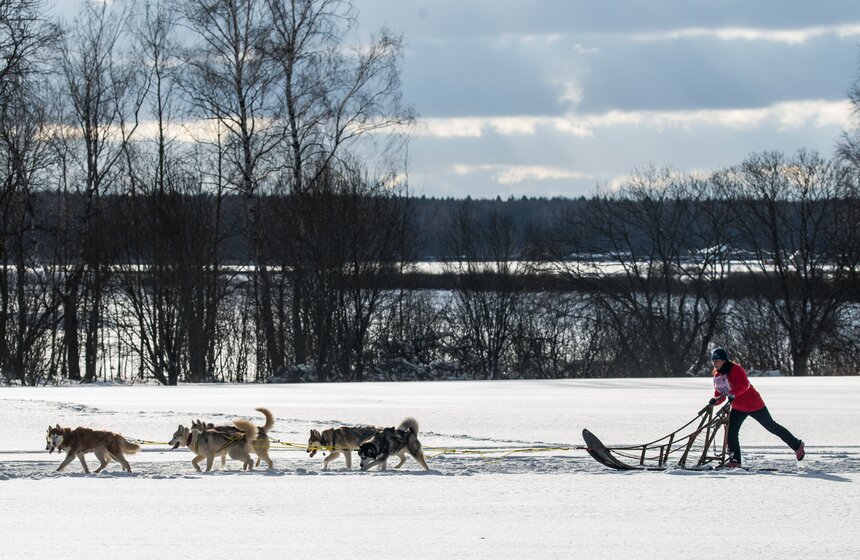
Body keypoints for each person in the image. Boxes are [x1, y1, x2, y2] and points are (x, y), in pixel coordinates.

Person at [708, 347, 805, 468]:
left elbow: (744, 385)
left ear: (724, 361)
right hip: (738, 407)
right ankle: (735, 461)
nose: (714, 364)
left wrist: (733, 393)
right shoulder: (717, 375)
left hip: (754, 404)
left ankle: (797, 445)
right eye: (713, 361)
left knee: (772, 427)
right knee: (731, 432)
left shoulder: (735, 369)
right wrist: (715, 401)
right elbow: (720, 393)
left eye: (717, 361)